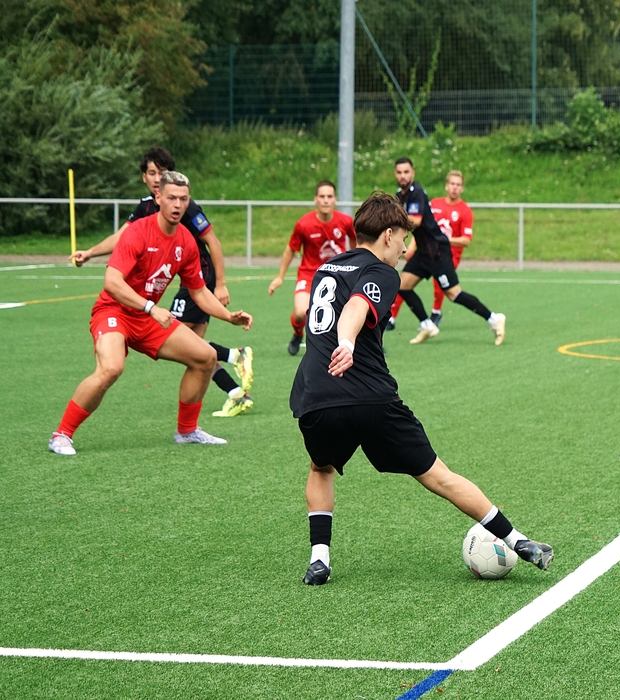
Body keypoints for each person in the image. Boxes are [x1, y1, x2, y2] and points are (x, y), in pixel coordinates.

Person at [289, 191, 552, 584]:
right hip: (370, 397)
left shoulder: (327, 269)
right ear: (388, 235)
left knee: (320, 467)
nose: (404, 250)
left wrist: (342, 343)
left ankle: (319, 560)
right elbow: (356, 308)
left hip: (316, 397)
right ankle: (518, 541)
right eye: (404, 240)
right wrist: (347, 343)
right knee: (437, 475)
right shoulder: (381, 271)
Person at [49, 172, 254, 456]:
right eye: (171, 198)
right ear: (158, 197)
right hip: (114, 311)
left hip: (147, 317)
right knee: (111, 368)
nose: (177, 205)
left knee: (206, 357)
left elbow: (198, 291)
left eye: (183, 199)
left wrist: (227, 316)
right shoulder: (137, 232)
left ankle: (187, 432)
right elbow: (112, 282)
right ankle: (61, 435)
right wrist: (150, 307)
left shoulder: (186, 241)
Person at [392, 158, 506, 345]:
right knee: (402, 285)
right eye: (399, 172)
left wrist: (391, 225)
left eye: (406, 172)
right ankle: (427, 325)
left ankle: (494, 319)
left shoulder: (416, 192)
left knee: (454, 294)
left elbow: (416, 221)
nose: (403, 176)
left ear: (413, 173)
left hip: (437, 252)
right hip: (423, 252)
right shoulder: (400, 195)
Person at [268, 181, 356, 356]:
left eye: (329, 196)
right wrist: (280, 277)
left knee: (350, 311)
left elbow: (356, 240)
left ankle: (362, 347)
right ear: (315, 199)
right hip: (309, 275)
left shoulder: (346, 221)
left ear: (335, 200)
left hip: (338, 275)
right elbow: (290, 250)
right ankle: (298, 334)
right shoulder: (304, 224)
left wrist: (354, 261)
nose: (326, 200)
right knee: (301, 313)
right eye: (322, 196)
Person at [388, 170, 473, 328]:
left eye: (458, 185)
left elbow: (466, 240)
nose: (454, 187)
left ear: (462, 188)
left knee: (449, 291)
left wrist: (442, 240)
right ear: (446, 186)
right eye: (452, 184)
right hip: (426, 251)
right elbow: (424, 230)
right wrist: (411, 246)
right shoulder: (434, 204)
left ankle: (436, 312)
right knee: (403, 283)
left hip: (447, 254)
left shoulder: (465, 210)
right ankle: (394, 317)